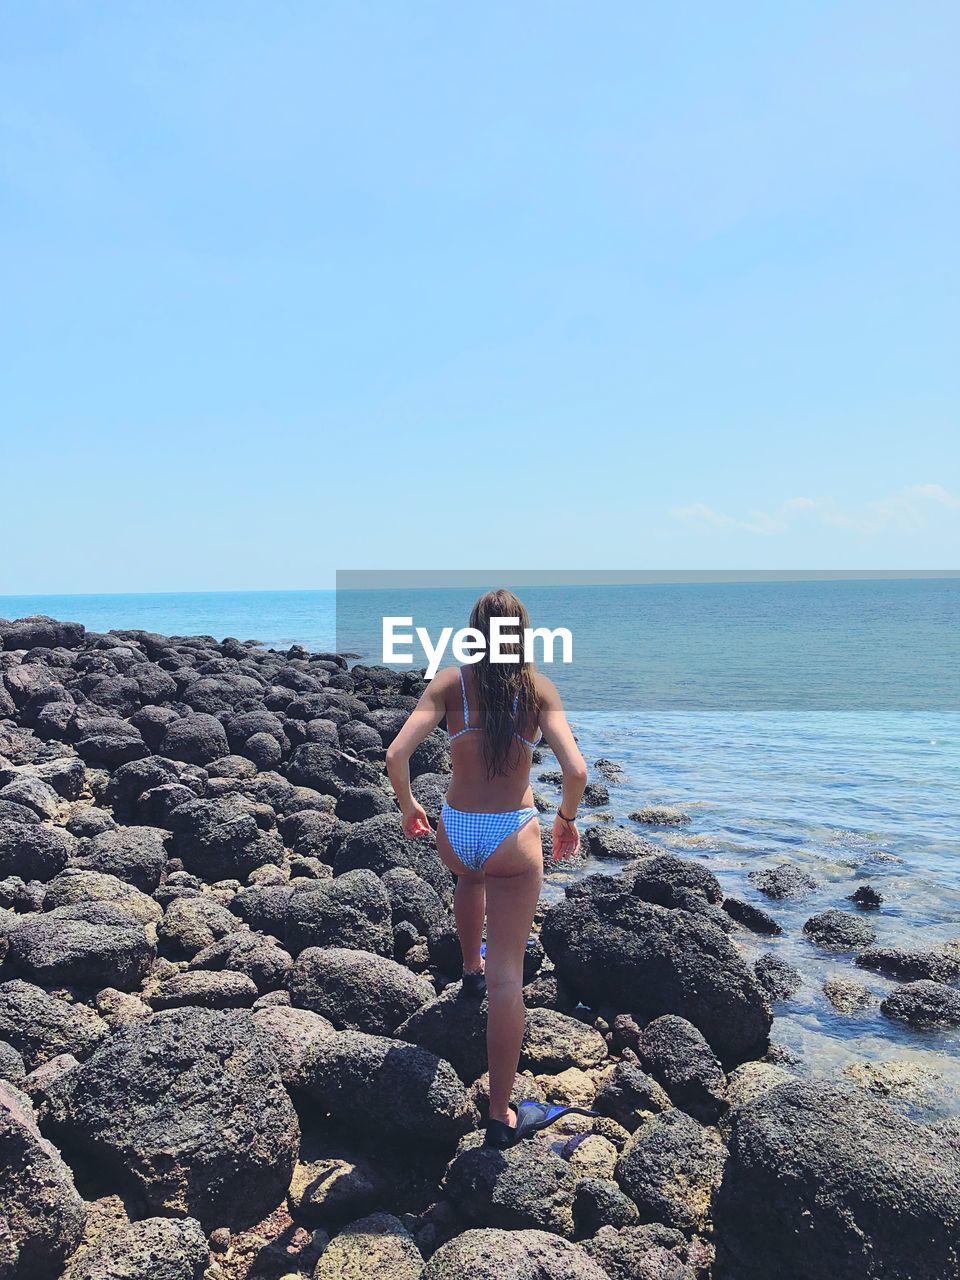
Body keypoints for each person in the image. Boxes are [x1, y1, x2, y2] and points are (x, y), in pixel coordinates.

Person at [386, 589, 594, 1146]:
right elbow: (575, 770)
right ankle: (500, 1113)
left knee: (468, 879)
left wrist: (409, 806)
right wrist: (566, 820)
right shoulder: (538, 690)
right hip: (511, 836)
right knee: (512, 978)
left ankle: (467, 970)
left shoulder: (452, 684)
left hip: (457, 832)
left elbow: (394, 756)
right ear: (522, 634)